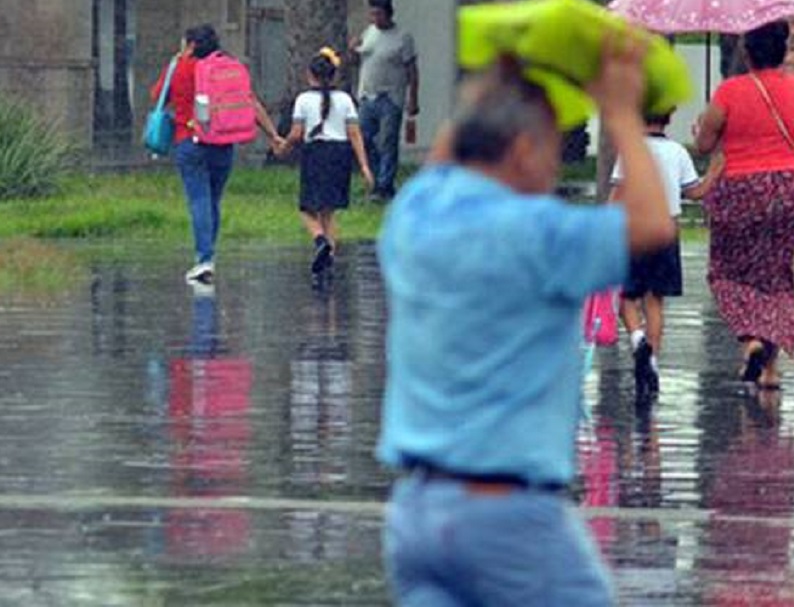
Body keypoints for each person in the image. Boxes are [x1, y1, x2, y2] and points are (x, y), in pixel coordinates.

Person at [376, 35, 676, 607]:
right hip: (507, 517)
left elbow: (450, 148)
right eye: (550, 151)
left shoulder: (414, 215)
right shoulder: (540, 233)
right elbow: (651, 226)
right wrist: (619, 114)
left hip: (416, 515)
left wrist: (498, 80)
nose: (553, 167)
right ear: (520, 150)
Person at [692, 20, 794, 389]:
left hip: (741, 189)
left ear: (747, 53)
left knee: (728, 274)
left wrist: (705, 126)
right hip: (792, 189)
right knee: (776, 273)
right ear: (783, 50)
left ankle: (751, 340)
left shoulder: (731, 90)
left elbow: (704, 145)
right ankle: (770, 370)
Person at [150, 24, 281, 284]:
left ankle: (204, 259)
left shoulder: (180, 67)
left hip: (189, 140)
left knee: (199, 199)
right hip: (223, 141)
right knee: (213, 200)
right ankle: (209, 256)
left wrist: (174, 67)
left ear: (191, 46)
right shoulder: (227, 67)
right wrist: (273, 134)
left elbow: (157, 98)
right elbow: (250, 101)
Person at [610, 111, 722, 400]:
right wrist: (714, 171)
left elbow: (617, 194)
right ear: (670, 117)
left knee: (626, 296)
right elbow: (695, 192)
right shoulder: (677, 152)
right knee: (654, 300)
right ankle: (654, 364)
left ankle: (637, 340)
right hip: (665, 229)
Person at [276, 48, 374, 279]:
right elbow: (355, 134)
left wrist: (284, 146)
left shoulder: (303, 100)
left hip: (315, 153)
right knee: (329, 210)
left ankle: (320, 241)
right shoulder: (345, 100)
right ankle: (328, 257)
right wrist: (364, 166)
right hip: (339, 154)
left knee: (308, 207)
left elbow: (297, 133)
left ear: (310, 75)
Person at [351, 0, 417, 201]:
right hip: (367, 95)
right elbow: (358, 59)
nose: (375, 19)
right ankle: (376, 177)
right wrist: (353, 50)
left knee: (387, 141)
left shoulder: (402, 37)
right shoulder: (370, 32)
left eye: (378, 15)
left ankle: (385, 185)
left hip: (390, 96)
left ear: (388, 14)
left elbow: (412, 69)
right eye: (372, 15)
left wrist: (413, 98)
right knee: (363, 138)